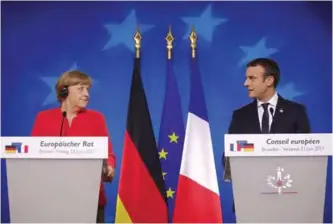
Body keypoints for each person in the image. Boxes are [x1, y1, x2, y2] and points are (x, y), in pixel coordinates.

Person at [222, 57, 311, 211]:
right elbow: (228, 156)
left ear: (269, 80)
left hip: (288, 198)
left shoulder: (295, 112)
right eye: (246, 78)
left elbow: (307, 154)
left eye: (252, 78)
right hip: (250, 199)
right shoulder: (240, 115)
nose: (246, 84)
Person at [31, 70, 116, 223]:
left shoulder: (96, 118)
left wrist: (109, 167)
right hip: (51, 199)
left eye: (88, 90)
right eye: (80, 89)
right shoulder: (43, 118)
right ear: (64, 91)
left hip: (90, 198)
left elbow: (108, 154)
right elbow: (32, 157)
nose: (87, 94)